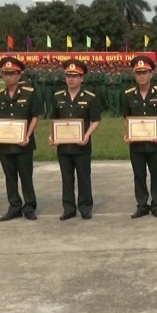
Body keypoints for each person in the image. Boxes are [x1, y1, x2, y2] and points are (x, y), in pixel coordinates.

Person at [48, 59, 102, 220]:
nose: (71, 79)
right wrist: (52, 135)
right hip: (64, 147)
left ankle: (85, 207)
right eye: (68, 76)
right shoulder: (58, 97)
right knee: (66, 177)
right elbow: (54, 119)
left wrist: (87, 135)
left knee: (84, 176)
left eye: (75, 76)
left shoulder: (90, 97)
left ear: (82, 78)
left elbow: (96, 120)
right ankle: (69, 208)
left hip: (81, 145)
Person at [0, 57, 40, 221]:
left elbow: (34, 117)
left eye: (12, 73)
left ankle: (29, 206)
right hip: (5, 144)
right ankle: (14, 206)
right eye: (5, 73)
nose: (8, 77)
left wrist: (28, 135)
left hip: (24, 143)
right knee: (10, 177)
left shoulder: (29, 94)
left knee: (26, 176)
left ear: (19, 75)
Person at [123, 56, 157, 218]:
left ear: (151, 74)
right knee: (139, 175)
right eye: (138, 73)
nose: (142, 76)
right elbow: (127, 117)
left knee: (156, 174)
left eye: (145, 72)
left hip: (155, 143)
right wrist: (128, 133)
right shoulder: (129, 95)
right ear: (134, 75)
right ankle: (142, 205)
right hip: (136, 144)